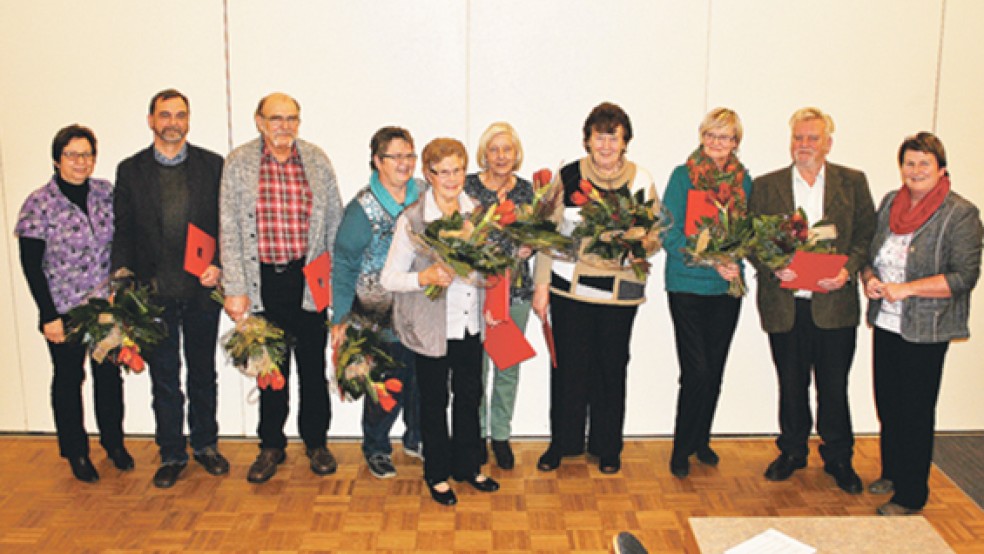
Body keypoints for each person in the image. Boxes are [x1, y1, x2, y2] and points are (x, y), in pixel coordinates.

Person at [749, 107, 875, 494]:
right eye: (798, 138)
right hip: (786, 303)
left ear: (828, 143)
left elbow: (865, 235)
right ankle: (792, 451)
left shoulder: (851, 183)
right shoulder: (767, 186)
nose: (804, 145)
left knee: (834, 386)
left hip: (834, 305)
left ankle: (838, 457)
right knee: (790, 383)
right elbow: (752, 240)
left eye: (812, 138)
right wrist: (772, 266)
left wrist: (847, 270)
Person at [220, 92, 343, 484]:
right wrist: (235, 287)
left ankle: (317, 441)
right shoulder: (239, 163)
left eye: (292, 118)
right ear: (259, 121)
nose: (284, 126)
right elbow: (229, 229)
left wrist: (337, 285)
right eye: (276, 118)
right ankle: (271, 444)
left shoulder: (316, 160)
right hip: (262, 283)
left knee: (312, 366)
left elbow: (334, 224)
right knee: (269, 368)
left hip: (308, 280)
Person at [532, 102, 658, 474]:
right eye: (599, 137)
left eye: (613, 138)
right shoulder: (567, 176)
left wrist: (637, 242)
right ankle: (563, 443)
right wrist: (541, 285)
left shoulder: (641, 180)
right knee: (568, 369)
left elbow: (655, 236)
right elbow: (545, 233)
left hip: (621, 294)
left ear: (625, 142)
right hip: (571, 291)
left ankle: (607, 447)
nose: (605, 146)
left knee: (611, 368)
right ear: (587, 140)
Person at [112, 89, 228, 488]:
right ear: (151, 121)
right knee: (164, 377)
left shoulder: (213, 165)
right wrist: (122, 281)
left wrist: (222, 267)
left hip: (201, 291)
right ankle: (172, 453)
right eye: (165, 115)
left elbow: (226, 225)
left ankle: (206, 444)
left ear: (189, 120)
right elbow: (123, 230)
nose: (173, 122)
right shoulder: (131, 170)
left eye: (180, 115)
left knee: (202, 373)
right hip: (153, 295)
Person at [862, 132, 982, 515]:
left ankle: (912, 494)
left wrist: (908, 289)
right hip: (888, 323)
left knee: (916, 410)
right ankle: (892, 472)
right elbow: (870, 255)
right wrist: (869, 280)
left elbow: (964, 277)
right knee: (889, 404)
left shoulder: (960, 213)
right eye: (909, 163)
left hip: (927, 329)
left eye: (923, 164)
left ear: (941, 169)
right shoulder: (889, 204)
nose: (915, 171)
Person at [381, 138, 499, 506]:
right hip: (432, 329)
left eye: (458, 170)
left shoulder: (478, 212)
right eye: (443, 171)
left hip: (469, 325)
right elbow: (389, 279)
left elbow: (491, 265)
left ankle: (468, 465)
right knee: (434, 402)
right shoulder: (413, 219)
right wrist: (425, 277)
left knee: (469, 396)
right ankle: (437, 473)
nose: (452, 179)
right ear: (428, 174)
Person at [15, 124, 130, 482]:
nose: (81, 162)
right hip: (64, 309)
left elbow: (122, 243)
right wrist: (47, 315)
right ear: (56, 159)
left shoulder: (105, 193)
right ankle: (77, 452)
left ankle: (114, 442)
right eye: (72, 154)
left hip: (106, 306)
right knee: (69, 378)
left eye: (87, 154)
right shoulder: (39, 203)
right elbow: (31, 266)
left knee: (109, 376)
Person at [662, 108, 752, 478]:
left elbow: (749, 232)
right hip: (686, 284)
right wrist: (709, 261)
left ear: (735, 142)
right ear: (702, 137)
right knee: (695, 370)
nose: (718, 144)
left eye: (726, 137)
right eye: (712, 136)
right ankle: (681, 447)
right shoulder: (683, 177)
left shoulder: (745, 182)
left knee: (714, 370)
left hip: (726, 287)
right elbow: (668, 231)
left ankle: (701, 440)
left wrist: (734, 259)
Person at [331, 126, 423, 479]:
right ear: (377, 161)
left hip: (420, 312)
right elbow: (343, 264)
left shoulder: (424, 198)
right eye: (395, 156)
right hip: (378, 316)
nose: (404, 163)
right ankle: (377, 446)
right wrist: (340, 316)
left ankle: (417, 438)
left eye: (409, 155)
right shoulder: (362, 208)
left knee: (420, 383)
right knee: (386, 385)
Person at [463, 122, 534, 470]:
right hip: (475, 292)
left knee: (507, 366)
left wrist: (531, 247)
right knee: (476, 368)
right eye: (494, 149)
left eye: (507, 149)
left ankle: (501, 435)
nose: (501, 156)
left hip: (515, 292)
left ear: (516, 153)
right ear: (484, 154)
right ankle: (475, 435)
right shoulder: (468, 187)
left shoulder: (528, 192)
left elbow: (540, 234)